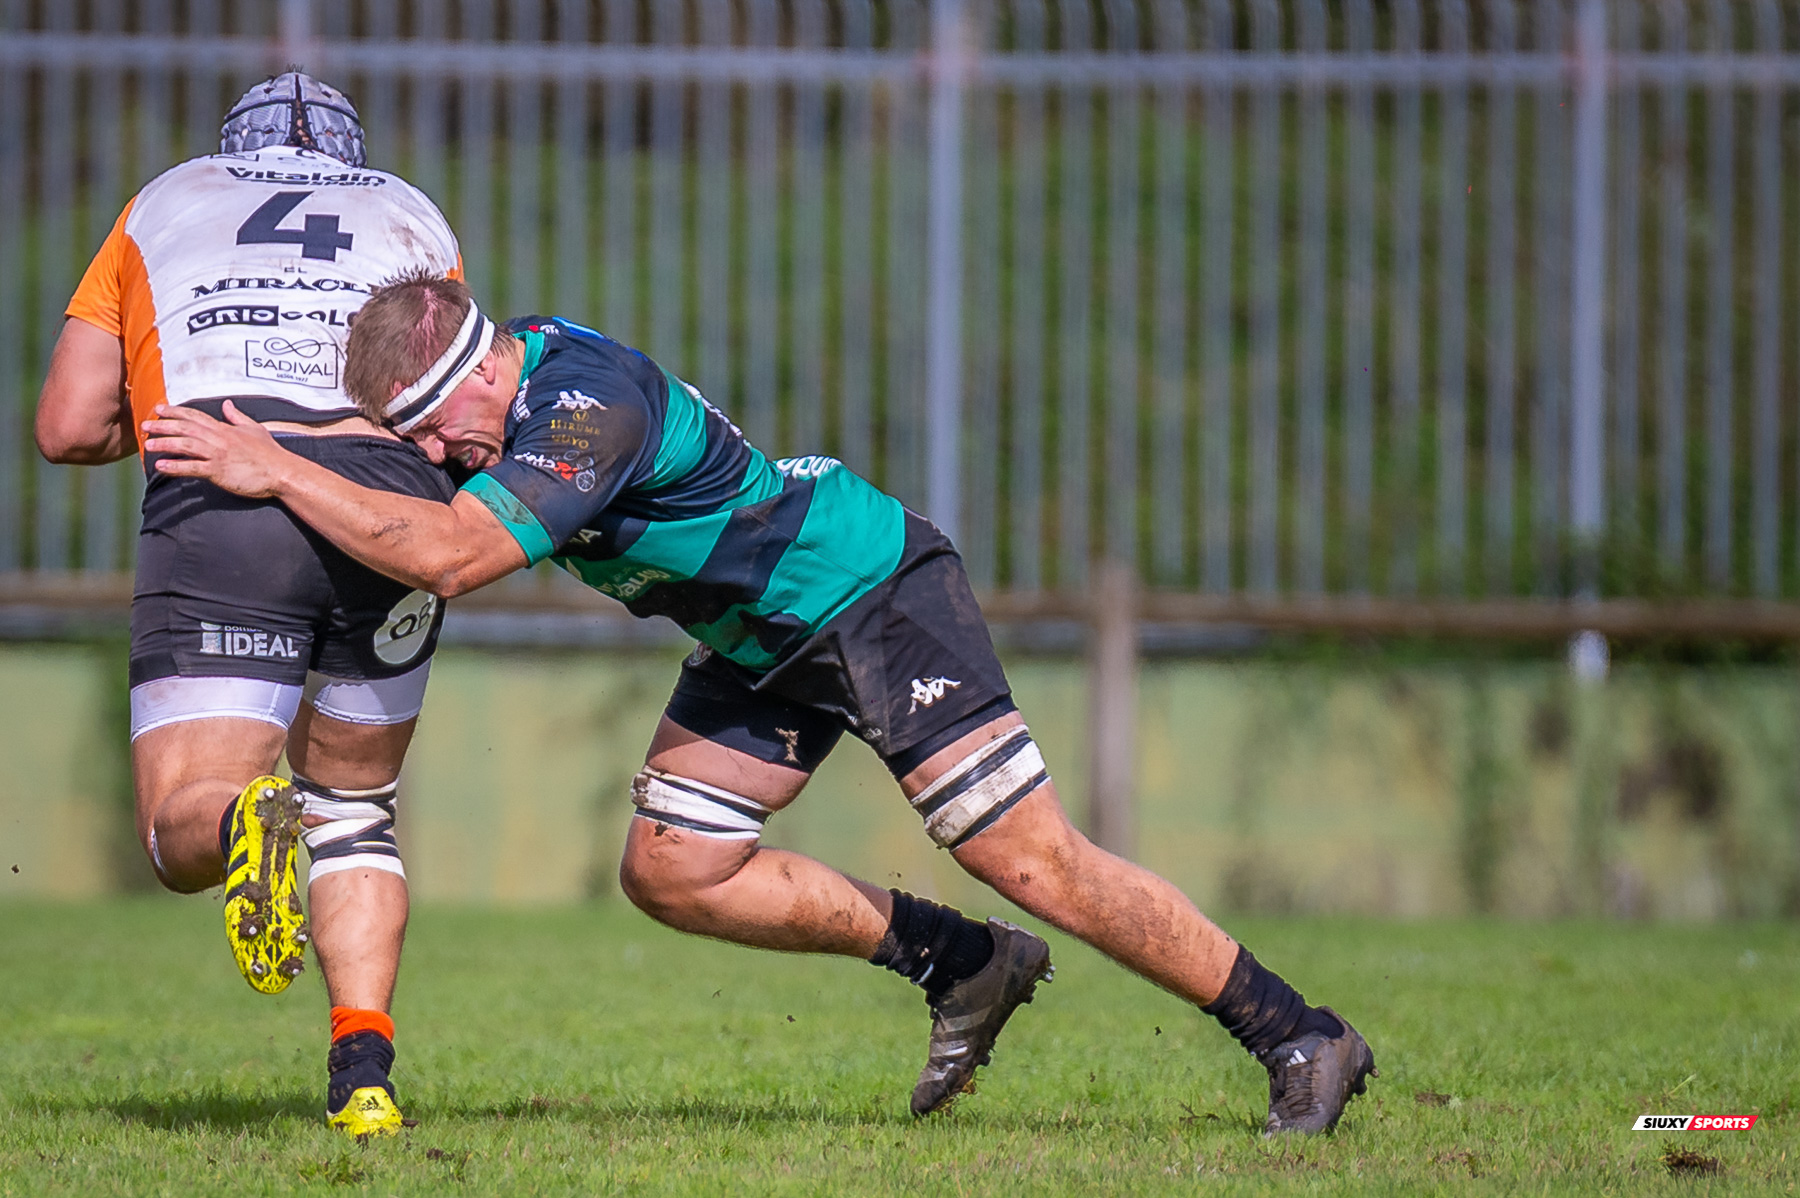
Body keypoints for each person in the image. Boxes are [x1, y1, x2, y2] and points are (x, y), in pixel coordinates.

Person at [144, 274, 1379, 1133]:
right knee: (673, 868)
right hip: (757, 637)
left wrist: (272, 466)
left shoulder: (583, 410)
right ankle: (963, 965)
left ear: (474, 377)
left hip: (866, 587)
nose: (427, 455)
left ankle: (1298, 1033)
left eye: (425, 431)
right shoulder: (507, 385)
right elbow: (438, 506)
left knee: (1032, 856)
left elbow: (452, 555)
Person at [35, 74, 463, 1137]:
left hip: (229, 493)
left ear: (230, 147)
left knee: (181, 829)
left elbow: (67, 422)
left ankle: (242, 818)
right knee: (357, 810)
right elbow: (445, 395)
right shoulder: (410, 209)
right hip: (389, 507)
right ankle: (363, 1075)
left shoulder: (165, 198)